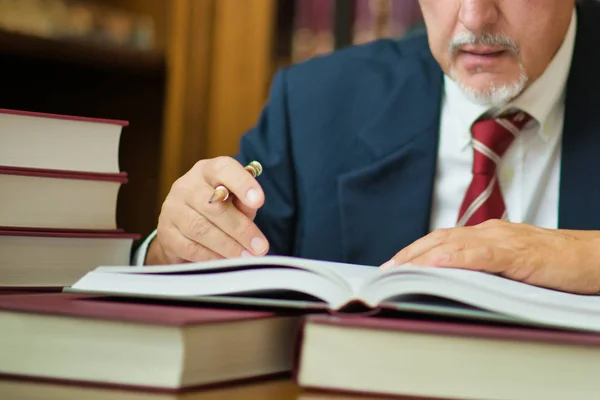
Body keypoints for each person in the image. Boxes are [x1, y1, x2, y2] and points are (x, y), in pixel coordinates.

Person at [135, 0, 600, 295]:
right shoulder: (317, 103)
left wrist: (556, 254)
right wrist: (173, 249)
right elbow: (210, 267)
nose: (474, 17)